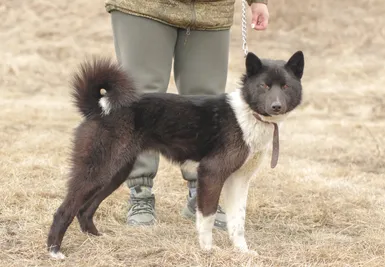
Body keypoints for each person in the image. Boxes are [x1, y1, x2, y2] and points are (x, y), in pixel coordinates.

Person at [104, 0, 269, 229]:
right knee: (142, 99)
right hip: (145, 7)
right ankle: (140, 194)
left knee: (207, 103)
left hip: (211, 10)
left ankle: (200, 194)